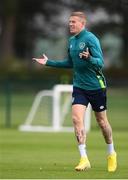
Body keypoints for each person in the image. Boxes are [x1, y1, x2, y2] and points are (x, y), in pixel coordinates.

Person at [33, 11, 117, 172]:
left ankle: (111, 152)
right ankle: (84, 158)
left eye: (73, 22)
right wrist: (48, 62)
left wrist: (89, 58)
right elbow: (69, 63)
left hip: (96, 86)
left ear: (82, 24)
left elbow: (100, 63)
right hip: (79, 87)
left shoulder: (91, 39)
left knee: (102, 122)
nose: (70, 24)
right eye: (69, 22)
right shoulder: (71, 41)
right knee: (76, 119)